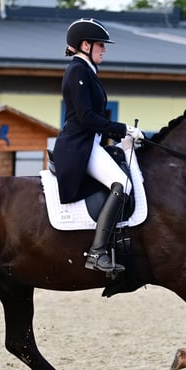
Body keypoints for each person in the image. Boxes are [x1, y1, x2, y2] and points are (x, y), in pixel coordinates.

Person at [52, 18, 144, 275]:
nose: (104, 49)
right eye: (100, 45)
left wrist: (119, 138)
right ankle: (97, 252)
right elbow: (86, 117)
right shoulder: (78, 71)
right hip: (78, 147)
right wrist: (122, 129)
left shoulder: (87, 70)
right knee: (122, 184)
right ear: (85, 45)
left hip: (90, 143)